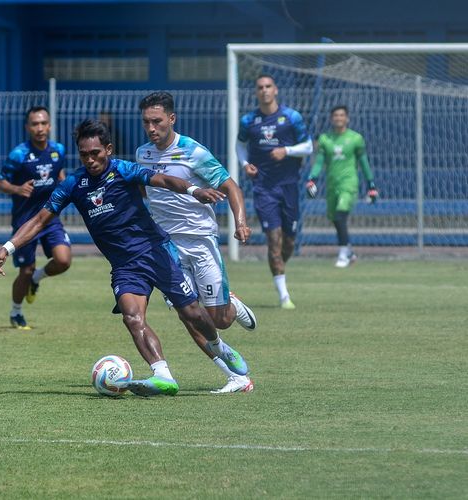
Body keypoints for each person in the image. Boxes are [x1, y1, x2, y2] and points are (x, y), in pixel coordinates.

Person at [0, 119, 249, 397]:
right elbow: (40, 220)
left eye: (96, 153)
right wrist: (7, 247)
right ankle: (162, 375)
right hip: (125, 267)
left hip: (155, 252)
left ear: (108, 149)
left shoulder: (123, 170)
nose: (90, 160)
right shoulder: (74, 183)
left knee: (192, 313)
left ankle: (218, 345)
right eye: (84, 154)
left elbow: (162, 179)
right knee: (132, 317)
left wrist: (193, 190)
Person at [137, 91, 257, 394]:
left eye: (157, 121)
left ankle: (231, 304)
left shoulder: (193, 151)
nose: (152, 128)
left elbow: (231, 187)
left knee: (219, 319)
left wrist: (240, 223)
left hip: (200, 241)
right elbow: (144, 192)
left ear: (172, 119)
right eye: (146, 122)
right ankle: (234, 376)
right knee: (188, 314)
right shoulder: (142, 154)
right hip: (166, 247)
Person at [236, 74, 312, 310]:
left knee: (289, 243)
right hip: (264, 188)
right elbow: (240, 144)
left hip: (289, 187)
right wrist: (244, 164)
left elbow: (308, 146)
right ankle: (284, 296)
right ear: (256, 92)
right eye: (260, 87)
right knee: (274, 240)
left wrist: (286, 151)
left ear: (276, 90)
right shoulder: (249, 120)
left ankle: (278, 267)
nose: (265, 90)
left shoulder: (291, 117)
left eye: (268, 86)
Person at [0, 106, 72, 330]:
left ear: (49, 125)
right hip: (25, 221)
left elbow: (60, 174)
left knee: (64, 260)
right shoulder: (19, 154)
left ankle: (36, 280)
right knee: (25, 270)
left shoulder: (58, 150)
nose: (40, 128)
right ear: (28, 127)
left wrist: (65, 188)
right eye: (35, 124)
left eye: (43, 123)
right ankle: (16, 313)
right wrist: (17, 189)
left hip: (49, 217)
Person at [306, 105, 378, 268]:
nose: (339, 118)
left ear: (347, 118)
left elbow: (364, 162)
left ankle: (343, 255)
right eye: (336, 115)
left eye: (342, 115)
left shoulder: (355, 139)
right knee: (335, 219)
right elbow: (319, 162)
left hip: (349, 184)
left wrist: (371, 185)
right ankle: (350, 252)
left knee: (340, 216)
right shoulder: (325, 139)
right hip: (332, 186)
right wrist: (312, 179)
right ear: (331, 119)